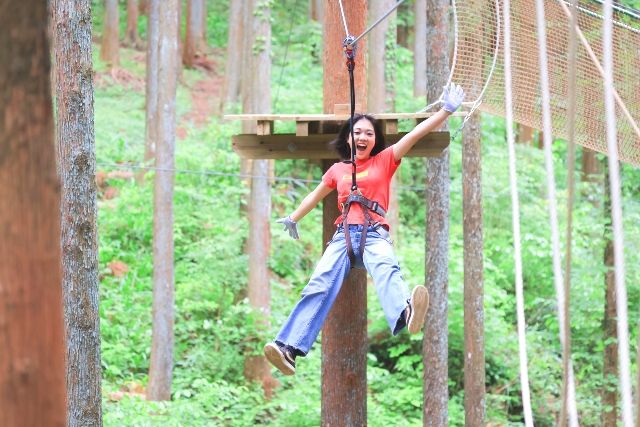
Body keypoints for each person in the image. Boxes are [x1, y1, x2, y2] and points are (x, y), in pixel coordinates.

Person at [264, 83, 465, 376]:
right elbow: (315, 195)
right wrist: (294, 218)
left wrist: (445, 111)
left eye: (369, 133)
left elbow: (415, 134)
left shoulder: (385, 161)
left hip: (373, 234)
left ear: (375, 140)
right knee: (319, 284)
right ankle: (288, 348)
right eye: (357, 132)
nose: (362, 136)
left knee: (386, 267)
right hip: (343, 237)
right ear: (349, 138)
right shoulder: (338, 171)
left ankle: (406, 311)